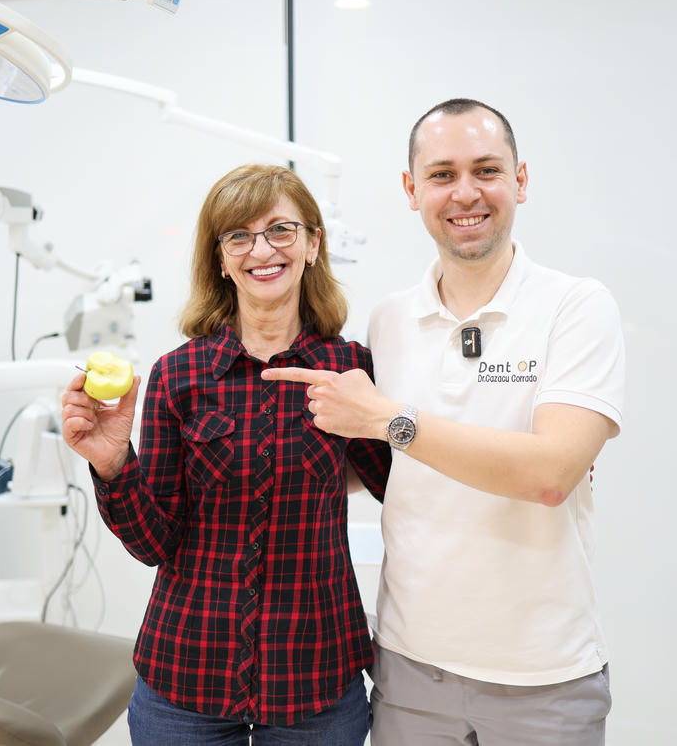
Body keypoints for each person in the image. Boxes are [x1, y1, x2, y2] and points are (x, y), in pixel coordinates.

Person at [262, 98, 626, 745]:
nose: (465, 193)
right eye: (441, 174)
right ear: (412, 190)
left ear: (520, 179)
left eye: (486, 170)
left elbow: (551, 475)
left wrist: (390, 419)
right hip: (409, 670)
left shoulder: (576, 306)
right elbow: (388, 464)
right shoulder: (389, 320)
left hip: (543, 676)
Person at [61, 163, 391, 746]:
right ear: (219, 258)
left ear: (313, 244)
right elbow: (155, 543)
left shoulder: (349, 370)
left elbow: (407, 493)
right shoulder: (178, 376)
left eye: (281, 230)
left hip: (315, 677)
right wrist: (112, 463)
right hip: (187, 676)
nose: (261, 250)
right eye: (239, 235)